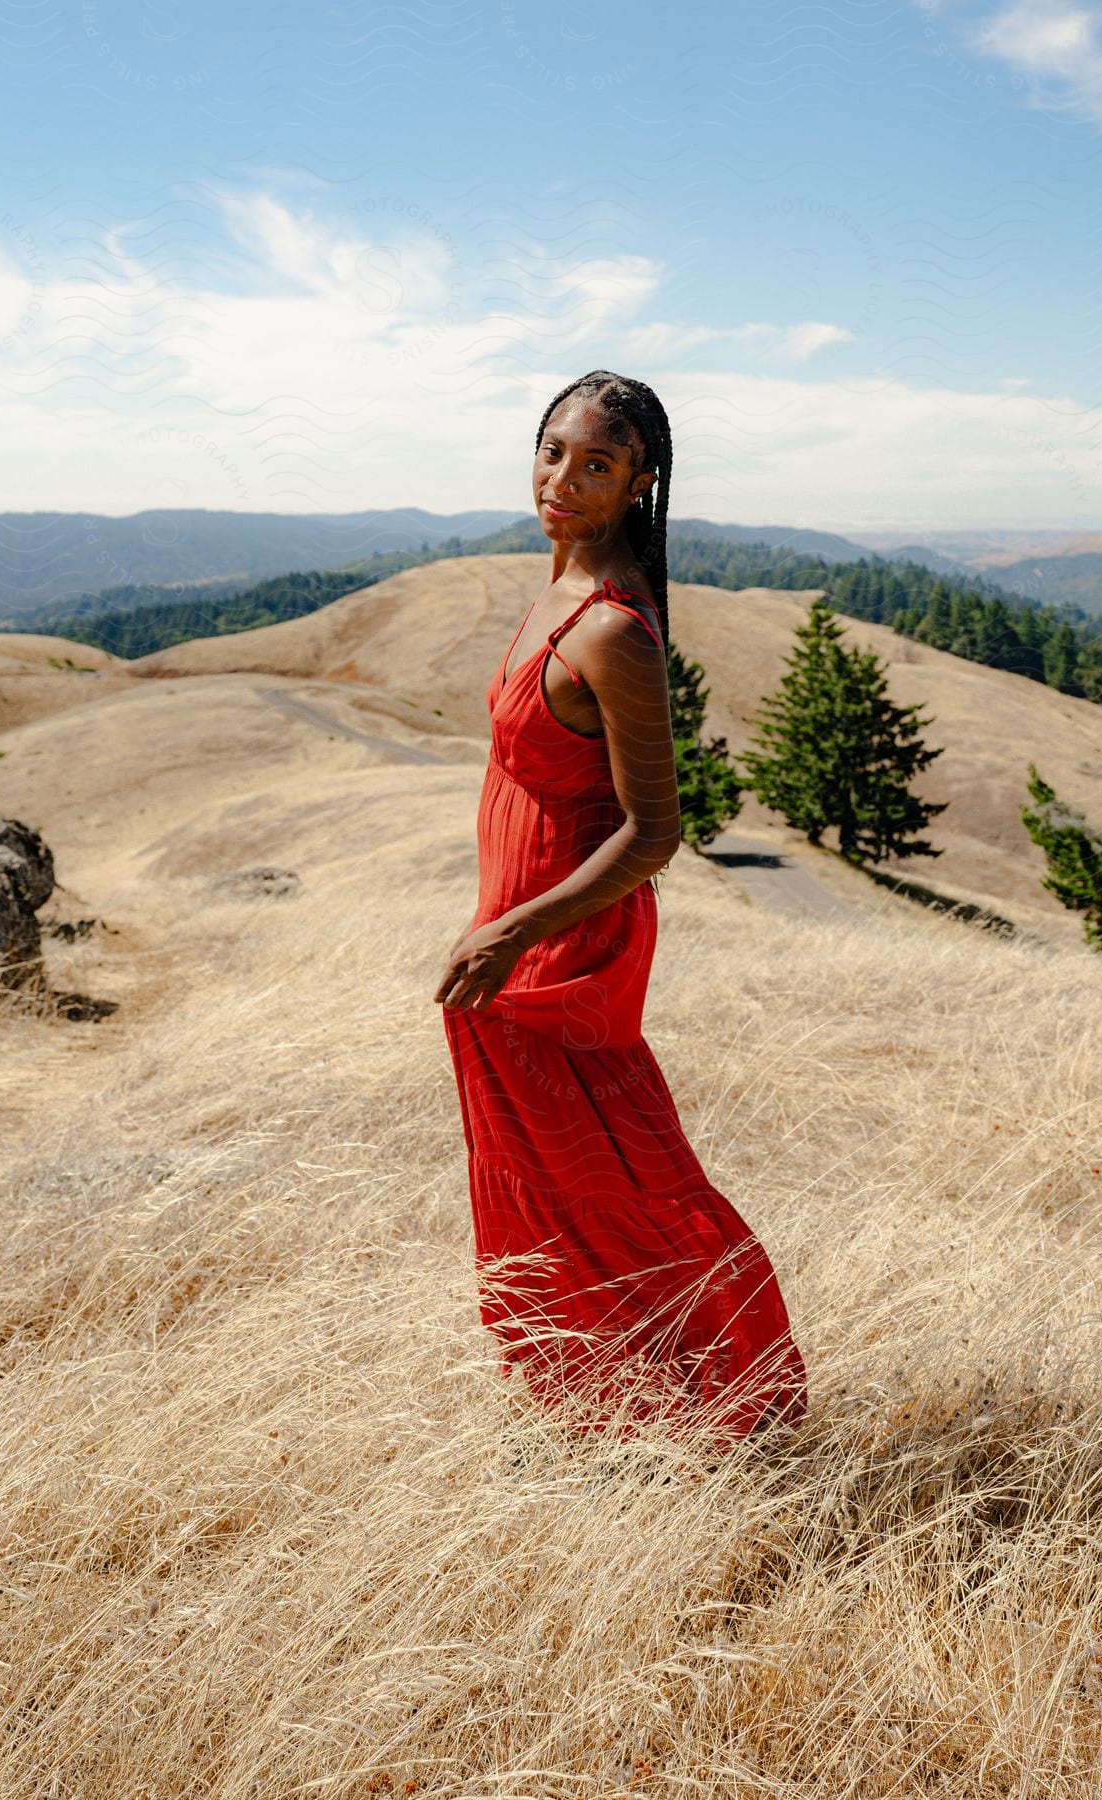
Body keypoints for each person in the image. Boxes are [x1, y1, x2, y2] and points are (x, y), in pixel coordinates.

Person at [435, 370, 809, 1453]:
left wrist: (513, 930)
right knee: (545, 1172)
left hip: (562, 937)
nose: (562, 478)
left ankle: (735, 1398)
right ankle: (597, 1402)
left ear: (639, 481)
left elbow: (654, 832)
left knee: (621, 1175)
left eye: (596, 464)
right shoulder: (558, 583)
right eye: (553, 450)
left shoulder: (609, 632)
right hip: (520, 921)